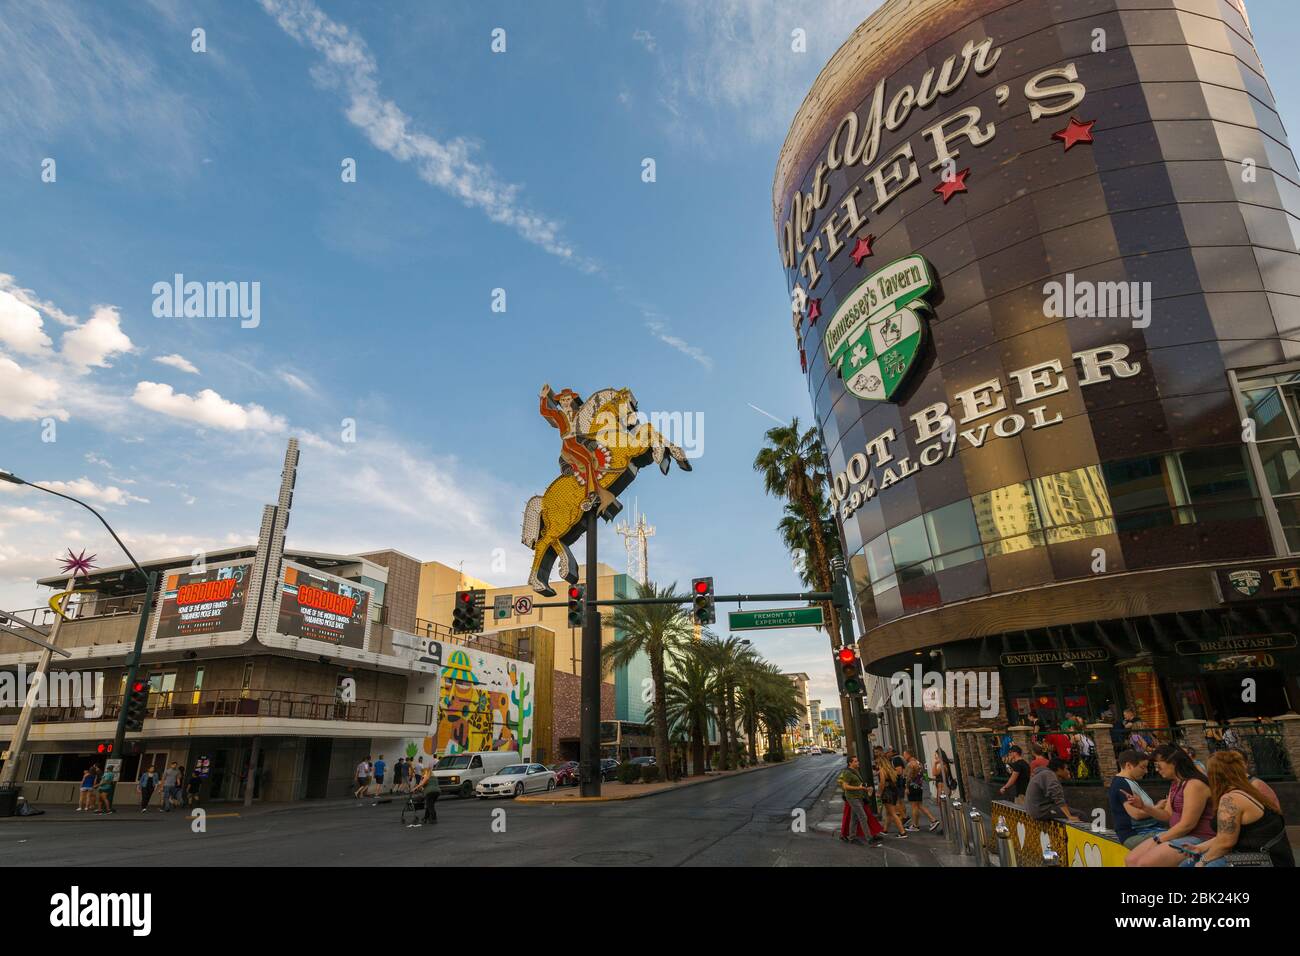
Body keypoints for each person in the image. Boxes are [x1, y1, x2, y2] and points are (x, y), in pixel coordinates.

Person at [1176, 750, 1294, 868]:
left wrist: (1203, 861)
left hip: (1264, 859)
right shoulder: (1248, 791)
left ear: (1215, 776)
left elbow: (1226, 843)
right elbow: (1226, 836)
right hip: (1263, 857)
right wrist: (1199, 848)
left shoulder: (1231, 799)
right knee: (1186, 864)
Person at [1124, 744, 1215, 867]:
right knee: (1131, 860)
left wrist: (1159, 839)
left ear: (1173, 762)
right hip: (1178, 834)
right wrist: (1143, 807)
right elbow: (1167, 815)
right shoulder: (1175, 784)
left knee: (1145, 863)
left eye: (1158, 765)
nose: (1157, 769)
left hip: (1198, 837)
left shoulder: (1194, 784)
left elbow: (1187, 825)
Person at [1108, 750, 1167, 848]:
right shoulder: (1121, 784)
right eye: (1142, 767)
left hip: (1147, 831)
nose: (1146, 771)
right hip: (1135, 834)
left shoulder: (1129, 781)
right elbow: (1136, 814)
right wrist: (1157, 808)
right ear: (1128, 765)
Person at [838, 756, 883, 847]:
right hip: (852, 798)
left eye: (857, 761)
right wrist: (860, 788)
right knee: (863, 817)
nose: (858, 762)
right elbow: (845, 786)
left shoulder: (855, 771)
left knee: (854, 818)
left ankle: (852, 837)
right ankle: (869, 839)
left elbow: (859, 785)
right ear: (850, 763)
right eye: (855, 761)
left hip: (859, 797)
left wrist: (866, 789)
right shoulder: (847, 773)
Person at [1025, 756, 1080, 822]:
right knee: (1080, 814)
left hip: (1036, 809)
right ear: (1059, 769)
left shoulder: (1044, 774)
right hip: (1040, 811)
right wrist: (1069, 816)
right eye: (1066, 769)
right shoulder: (1050, 776)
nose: (1068, 771)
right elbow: (1058, 798)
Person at [903, 750, 941, 832]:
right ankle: (932, 820)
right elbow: (923, 774)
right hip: (919, 787)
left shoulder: (910, 764)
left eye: (904, 755)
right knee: (920, 805)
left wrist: (906, 787)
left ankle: (915, 825)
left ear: (908, 755)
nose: (904, 757)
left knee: (914, 806)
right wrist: (929, 779)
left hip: (912, 787)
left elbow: (908, 777)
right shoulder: (918, 763)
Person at [875, 754, 907, 838]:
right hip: (893, 792)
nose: (876, 765)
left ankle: (902, 832)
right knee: (889, 813)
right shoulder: (890, 770)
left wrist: (878, 793)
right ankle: (885, 830)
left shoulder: (882, 770)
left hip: (887, 793)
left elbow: (882, 783)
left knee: (893, 813)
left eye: (877, 763)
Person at [408, 761, 439, 828]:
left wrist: (414, 789)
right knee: (430, 805)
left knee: (430, 806)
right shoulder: (434, 777)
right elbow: (424, 787)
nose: (422, 773)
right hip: (437, 792)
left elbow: (421, 784)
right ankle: (425, 818)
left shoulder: (426, 776)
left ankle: (434, 819)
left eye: (423, 772)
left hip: (430, 792)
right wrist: (420, 788)